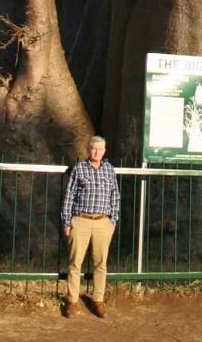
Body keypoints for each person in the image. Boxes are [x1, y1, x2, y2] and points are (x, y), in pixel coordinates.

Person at [59, 134, 120, 318]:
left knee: (100, 263)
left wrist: (113, 220)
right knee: (75, 263)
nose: (97, 152)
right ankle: (72, 300)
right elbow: (69, 195)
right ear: (88, 150)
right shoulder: (79, 169)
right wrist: (67, 221)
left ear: (104, 151)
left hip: (102, 221)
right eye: (94, 149)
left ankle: (98, 300)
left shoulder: (109, 169)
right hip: (81, 220)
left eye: (100, 149)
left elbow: (115, 195)